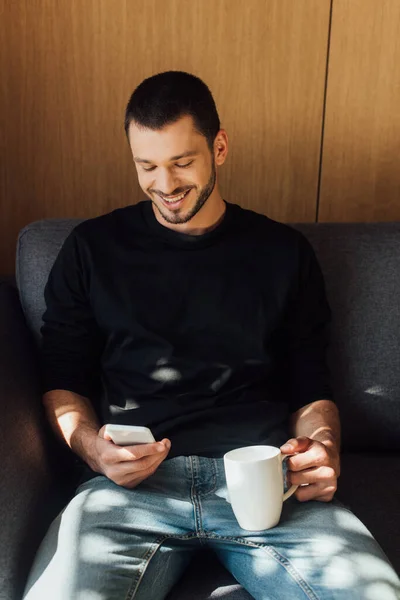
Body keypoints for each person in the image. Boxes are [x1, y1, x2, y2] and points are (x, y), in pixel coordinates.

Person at [23, 71, 399, 600]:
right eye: (147, 165)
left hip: (265, 481)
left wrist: (324, 446)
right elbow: (62, 376)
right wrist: (90, 448)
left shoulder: (282, 253)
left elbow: (311, 382)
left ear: (219, 147)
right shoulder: (90, 249)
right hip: (132, 490)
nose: (166, 184)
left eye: (182, 162)